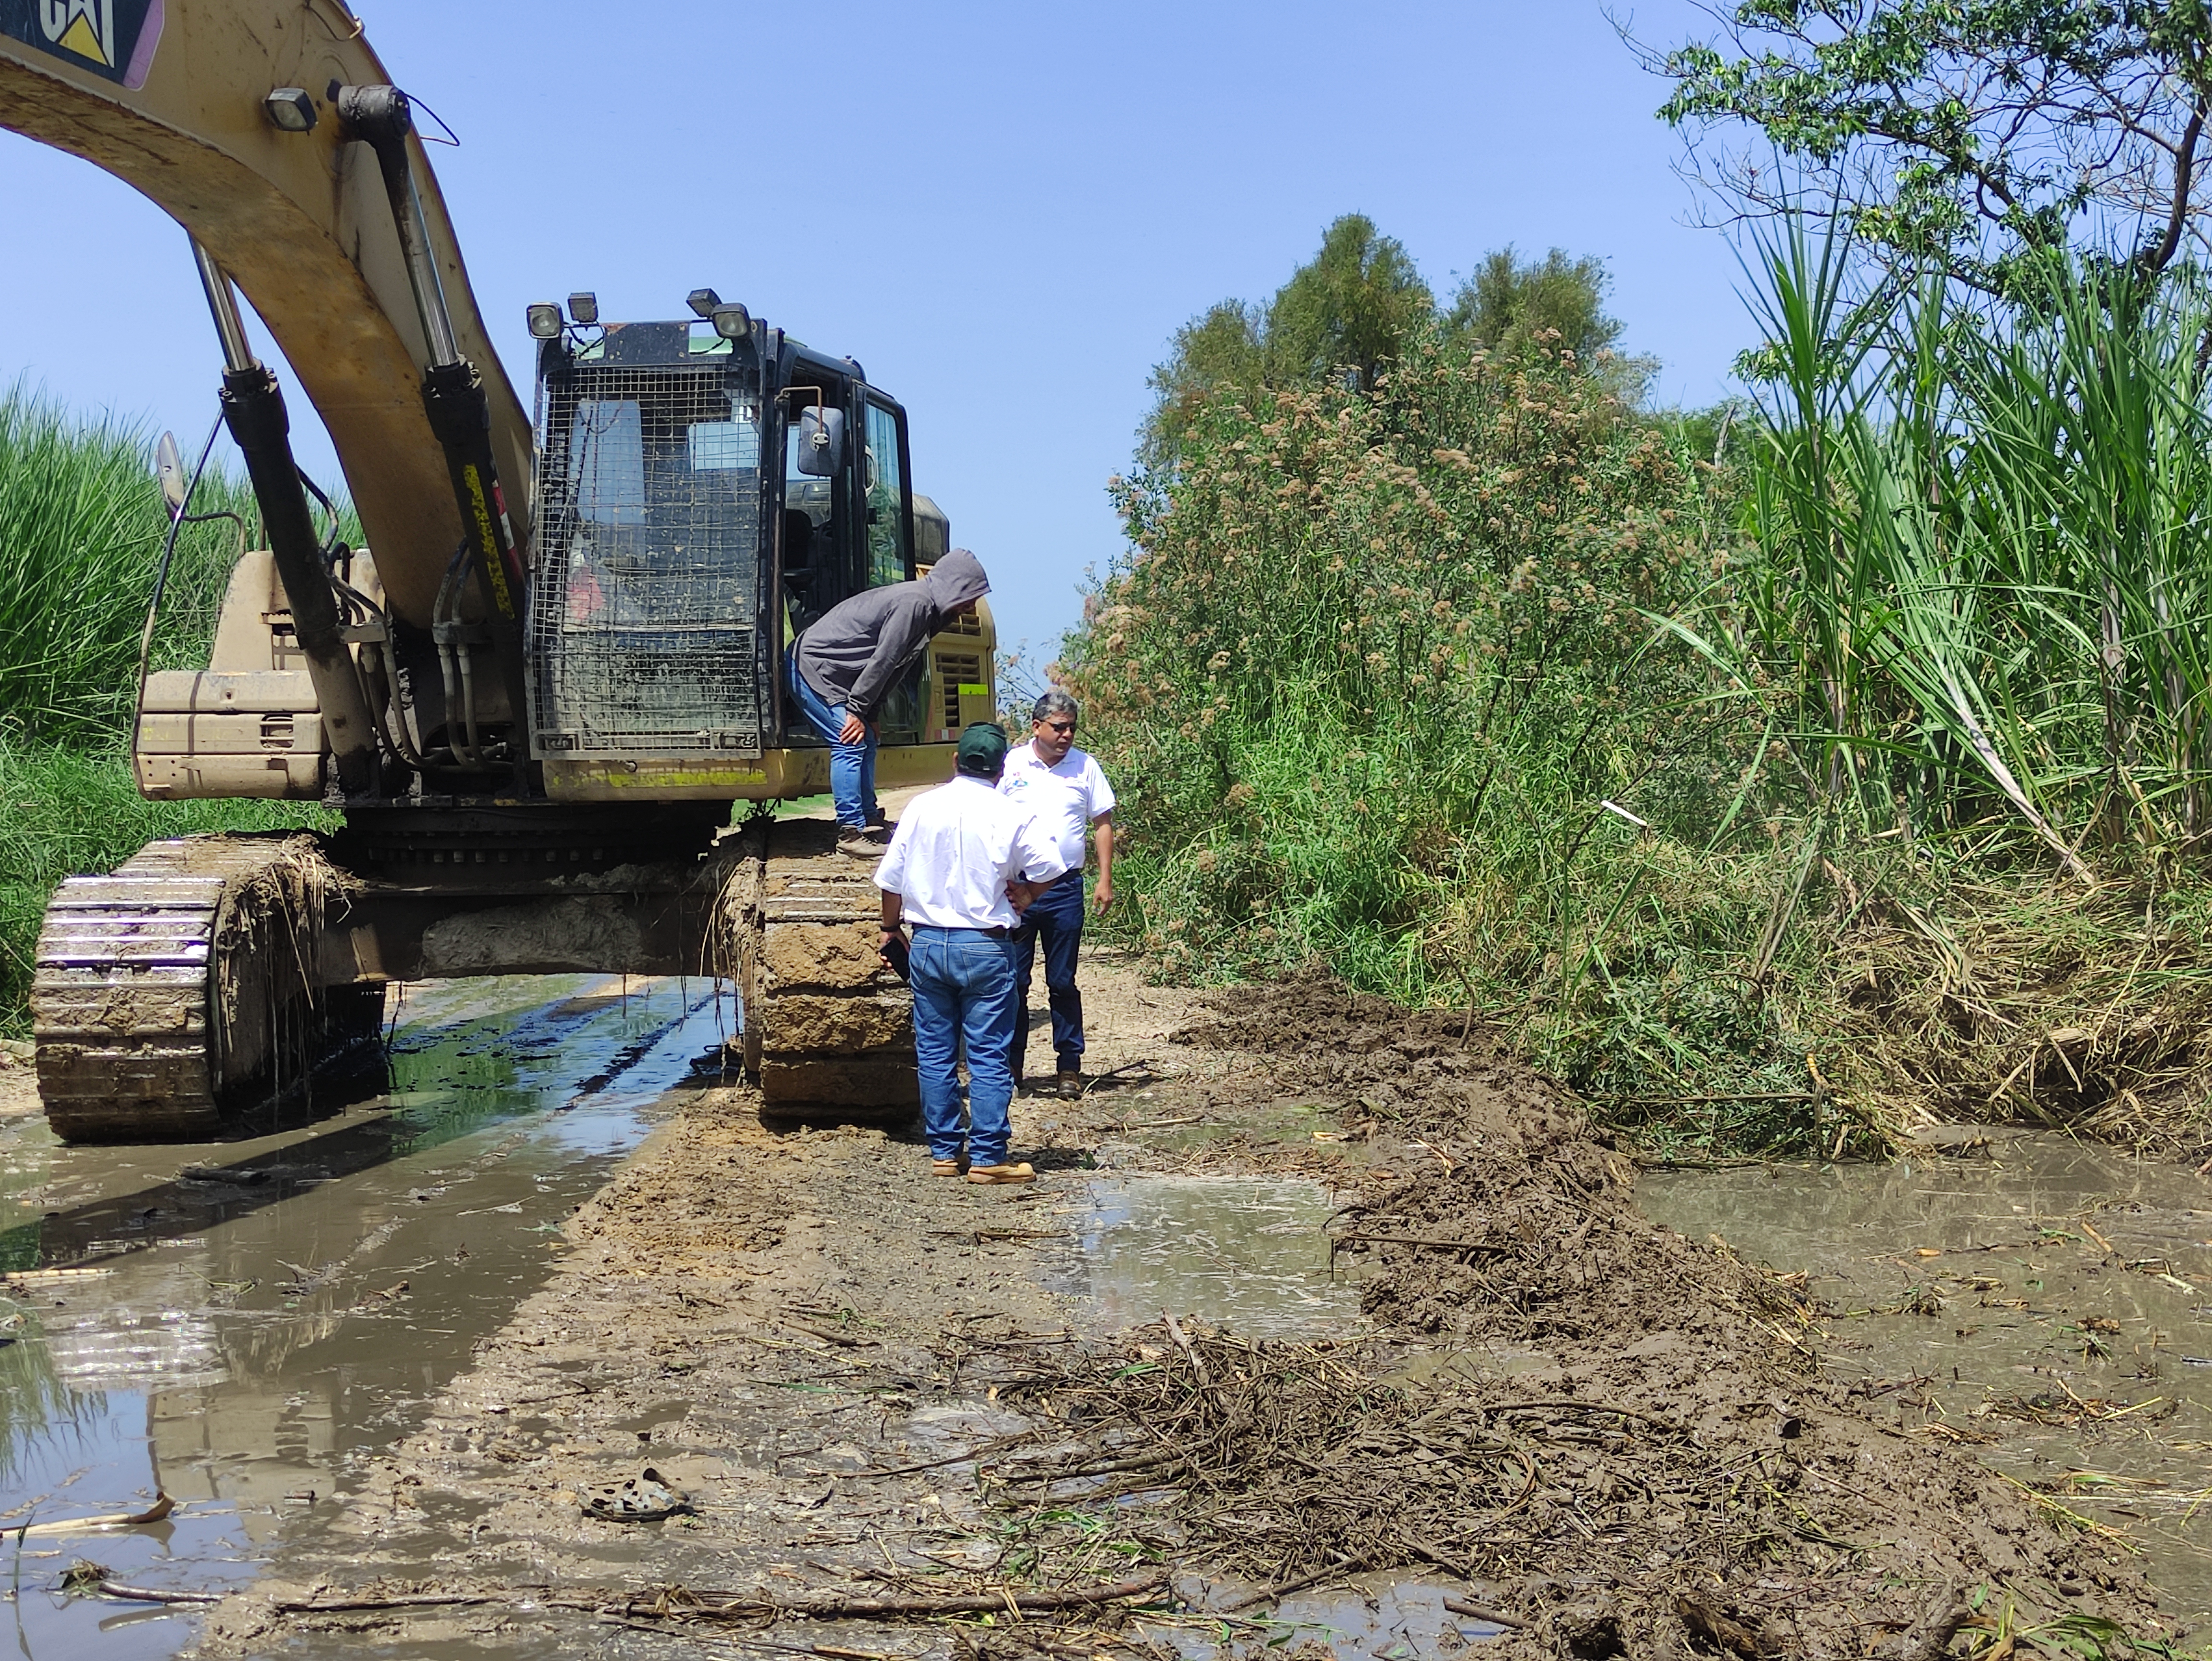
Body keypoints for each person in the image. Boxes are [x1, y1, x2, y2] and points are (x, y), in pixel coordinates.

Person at [874, 722, 1067, 1184]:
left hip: (927, 943)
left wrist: (889, 930)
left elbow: (890, 881)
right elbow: (1052, 868)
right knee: (987, 1055)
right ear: (1001, 771)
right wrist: (1025, 895)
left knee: (936, 1053)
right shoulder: (1011, 812)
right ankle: (988, 1158)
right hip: (984, 946)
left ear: (956, 762)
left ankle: (945, 1152)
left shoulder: (922, 807)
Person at [788, 548, 991, 858]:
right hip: (812, 667)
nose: (971, 606)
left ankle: (869, 820)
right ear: (955, 586)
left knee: (866, 739)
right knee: (849, 742)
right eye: (970, 595)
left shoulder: (931, 611)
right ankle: (850, 832)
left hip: (837, 676)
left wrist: (872, 711)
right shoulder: (916, 603)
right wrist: (857, 708)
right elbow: (884, 659)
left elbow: (898, 666)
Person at [997, 689, 1116, 1097]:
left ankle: (1069, 1068)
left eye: (1071, 728)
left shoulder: (1085, 767)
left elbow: (1102, 823)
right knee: (1013, 982)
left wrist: (1104, 880)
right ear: (1037, 727)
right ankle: (1010, 1070)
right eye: (1058, 727)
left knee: (1062, 981)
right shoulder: (1012, 763)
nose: (1066, 735)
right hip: (1017, 889)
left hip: (1065, 888)